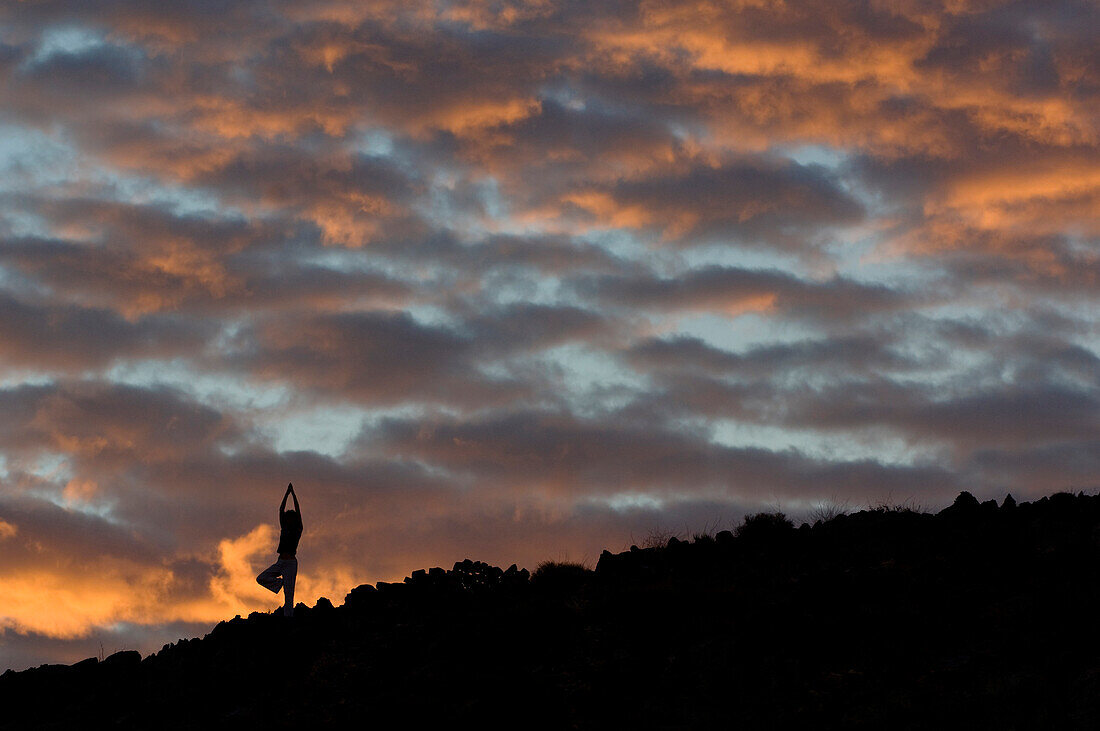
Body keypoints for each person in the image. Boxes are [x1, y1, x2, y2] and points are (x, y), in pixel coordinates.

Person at [255, 483, 303, 616]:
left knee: (289, 594)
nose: (287, 520)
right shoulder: (284, 528)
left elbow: (298, 511)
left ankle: (289, 619)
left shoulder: (298, 530)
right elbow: (280, 510)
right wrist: (287, 494)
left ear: (293, 520)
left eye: (289, 518)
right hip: (280, 562)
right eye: (286, 519)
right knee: (261, 578)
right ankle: (279, 583)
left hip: (291, 564)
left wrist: (293, 495)